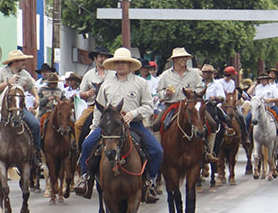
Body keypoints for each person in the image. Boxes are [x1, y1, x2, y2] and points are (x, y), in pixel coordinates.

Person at [75, 48, 162, 201]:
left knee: (157, 151)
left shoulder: (141, 83)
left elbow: (148, 106)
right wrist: (94, 128)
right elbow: (98, 108)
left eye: (124, 63)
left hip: (133, 125)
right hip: (110, 126)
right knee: (87, 144)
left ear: (130, 65)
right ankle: (85, 178)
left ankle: (150, 182)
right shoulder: (106, 85)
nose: (120, 65)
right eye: (117, 63)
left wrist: (132, 114)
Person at [156, 47, 206, 132]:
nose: (184, 59)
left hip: (191, 104)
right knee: (156, 124)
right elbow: (159, 92)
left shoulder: (194, 74)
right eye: (181, 57)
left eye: (185, 57)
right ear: (174, 59)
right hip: (171, 105)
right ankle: (158, 145)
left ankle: (209, 145)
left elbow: (201, 88)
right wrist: (166, 93)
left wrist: (192, 93)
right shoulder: (165, 75)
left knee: (212, 123)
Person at [73, 46, 113, 144]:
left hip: (111, 107)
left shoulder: (114, 74)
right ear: (95, 58)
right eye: (101, 56)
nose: (103, 59)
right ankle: (80, 150)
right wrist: (87, 93)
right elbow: (81, 93)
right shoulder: (88, 75)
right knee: (78, 125)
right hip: (93, 106)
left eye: (105, 56)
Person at [201, 64, 229, 161]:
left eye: (207, 72)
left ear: (211, 74)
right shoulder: (198, 83)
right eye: (203, 72)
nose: (204, 74)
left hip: (211, 107)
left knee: (221, 119)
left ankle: (211, 149)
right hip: (198, 106)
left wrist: (216, 98)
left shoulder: (216, 84)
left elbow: (222, 97)